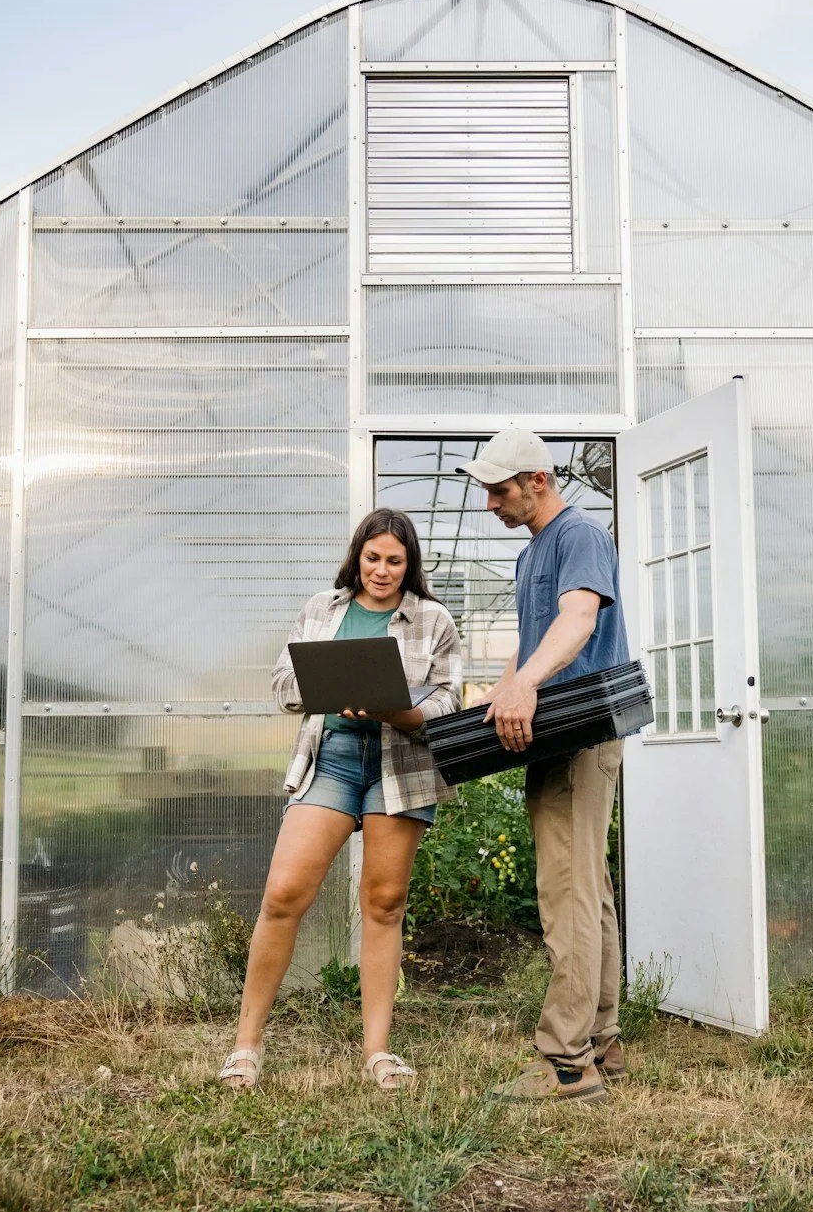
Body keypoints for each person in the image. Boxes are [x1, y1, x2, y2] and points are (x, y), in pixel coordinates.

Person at [218, 508, 462, 1093]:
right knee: (283, 894)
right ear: (357, 556)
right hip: (331, 760)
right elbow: (283, 684)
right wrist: (328, 686)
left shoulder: (433, 620)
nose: (381, 571)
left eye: (394, 561)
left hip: (399, 767)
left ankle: (377, 1051)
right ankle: (245, 1046)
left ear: (410, 565)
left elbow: (450, 702)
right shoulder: (322, 610)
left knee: (383, 902)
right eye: (372, 558)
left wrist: (396, 710)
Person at [462, 428, 632, 1104]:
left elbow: (578, 621)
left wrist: (526, 684)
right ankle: (604, 1039)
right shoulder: (534, 552)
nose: (490, 505)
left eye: (500, 490)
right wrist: (500, 686)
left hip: (579, 732)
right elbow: (534, 640)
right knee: (589, 886)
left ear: (539, 478)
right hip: (553, 732)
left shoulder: (578, 535)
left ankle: (567, 1059)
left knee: (567, 889)